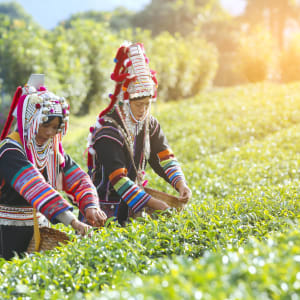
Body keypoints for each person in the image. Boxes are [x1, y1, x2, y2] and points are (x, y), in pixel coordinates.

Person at [0, 74, 107, 260]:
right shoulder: (9, 151)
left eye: (55, 127)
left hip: (39, 233)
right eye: (45, 125)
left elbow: (77, 178)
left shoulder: (50, 151)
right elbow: (35, 186)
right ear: (29, 120)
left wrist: (91, 206)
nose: (50, 133)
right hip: (7, 234)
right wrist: (73, 222)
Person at [85, 42, 191, 225]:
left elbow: (163, 157)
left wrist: (181, 183)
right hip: (105, 209)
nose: (143, 110)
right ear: (126, 101)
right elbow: (118, 179)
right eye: (138, 104)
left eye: (147, 104)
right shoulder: (107, 131)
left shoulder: (148, 124)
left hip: (133, 206)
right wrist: (153, 203)